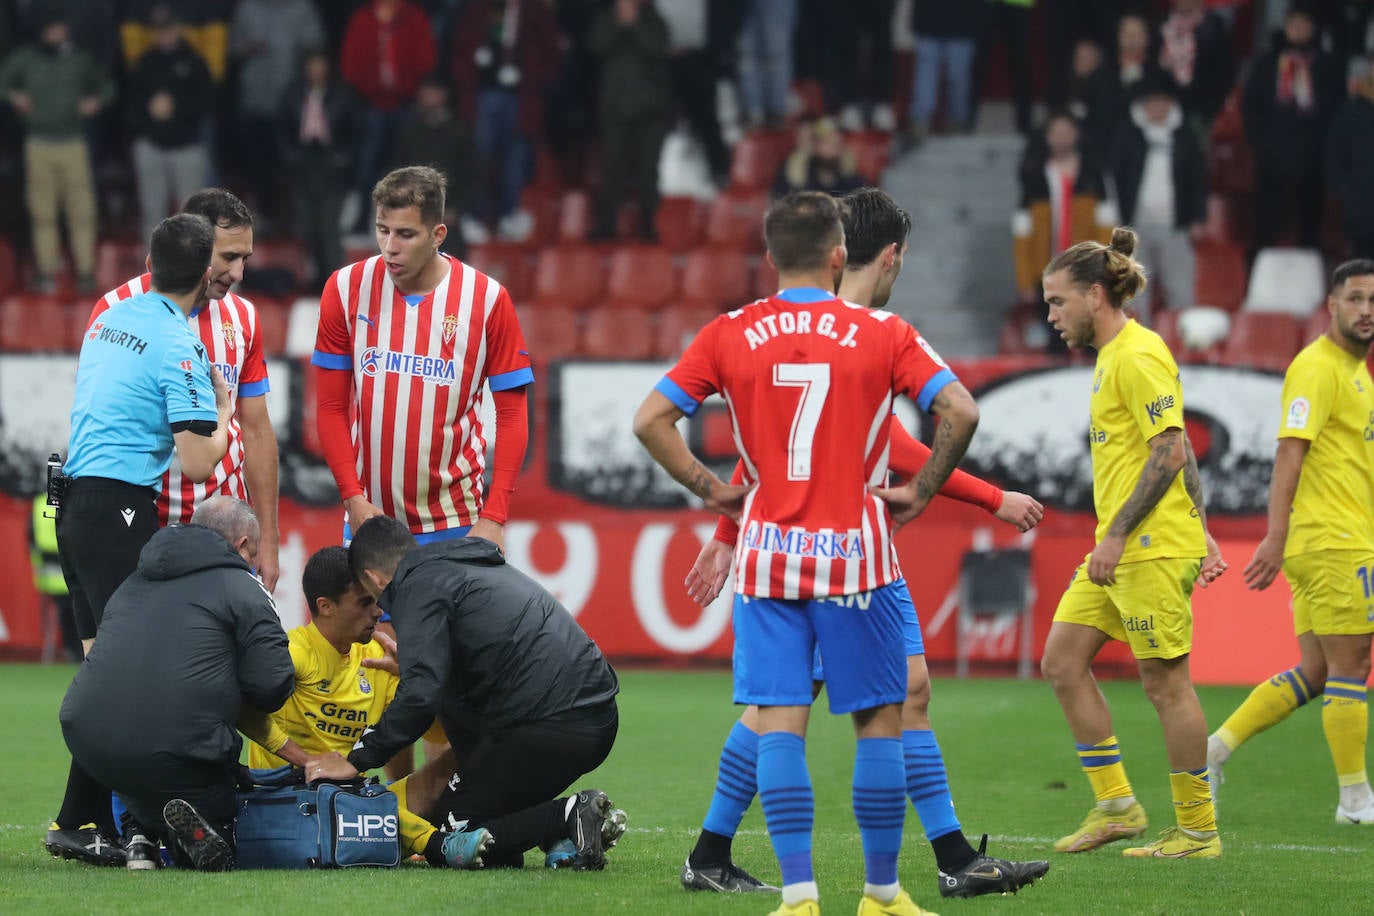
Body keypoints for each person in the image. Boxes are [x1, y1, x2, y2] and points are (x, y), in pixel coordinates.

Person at [677, 188, 1051, 901]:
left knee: (892, 693)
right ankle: (723, 852)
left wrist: (729, 528)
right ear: (885, 255)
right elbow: (900, 446)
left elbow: (765, 452)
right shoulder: (865, 332)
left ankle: (944, 855)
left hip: (847, 549)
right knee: (796, 708)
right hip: (840, 555)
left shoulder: (799, 328)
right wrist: (992, 496)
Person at [45, 212, 232, 866]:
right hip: (120, 507)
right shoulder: (178, 342)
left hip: (73, 506)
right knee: (131, 672)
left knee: (106, 671)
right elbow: (198, 463)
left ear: (151, 264)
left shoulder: (110, 316)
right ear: (207, 272)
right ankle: (89, 818)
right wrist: (226, 415)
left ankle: (88, 819)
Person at [1039, 227, 1228, 859]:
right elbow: (1181, 445)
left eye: (1058, 301)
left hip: (1143, 546)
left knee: (1166, 685)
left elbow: (1171, 450)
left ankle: (1198, 830)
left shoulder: (1138, 355)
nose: (1050, 315)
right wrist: (1205, 530)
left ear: (1095, 295)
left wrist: (1119, 535)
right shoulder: (1111, 357)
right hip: (1125, 543)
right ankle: (1116, 805)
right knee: (1062, 662)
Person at [307, 516, 625, 871]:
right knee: (490, 838)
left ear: (376, 579)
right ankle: (558, 835)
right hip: (595, 714)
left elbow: (419, 698)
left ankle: (566, 817)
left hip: (547, 726)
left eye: (372, 598)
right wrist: (418, 668)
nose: (378, 611)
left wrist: (356, 759)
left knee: (453, 838)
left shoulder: (415, 589)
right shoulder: (462, 564)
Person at [1207, 260, 1374, 824]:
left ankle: (1217, 747)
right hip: (1334, 542)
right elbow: (1289, 451)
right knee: (1354, 665)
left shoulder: (1356, 372)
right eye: (1355, 298)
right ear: (1330, 305)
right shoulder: (1318, 368)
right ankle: (1355, 799)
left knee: (1318, 671)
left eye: (1373, 300)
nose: (1366, 310)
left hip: (1334, 539)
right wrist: (1274, 537)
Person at [60, 497, 294, 872]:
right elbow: (273, 686)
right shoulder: (244, 587)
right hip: (179, 743)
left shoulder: (133, 581)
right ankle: (191, 830)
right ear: (243, 545)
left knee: (149, 768)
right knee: (220, 799)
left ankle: (139, 833)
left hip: (86, 739)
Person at [311, 166, 532, 553]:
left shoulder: (487, 300)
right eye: (383, 230)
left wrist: (495, 517)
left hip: (455, 524)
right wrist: (352, 498)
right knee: (371, 618)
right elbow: (330, 406)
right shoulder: (345, 288)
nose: (389, 246)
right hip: (369, 521)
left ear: (437, 235)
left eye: (406, 234)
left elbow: (512, 415)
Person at [247, 545, 494, 868]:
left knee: (473, 749)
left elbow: (437, 732)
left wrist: (415, 679)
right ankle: (439, 843)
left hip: (360, 802)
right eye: (365, 603)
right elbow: (244, 707)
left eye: (376, 601)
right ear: (326, 607)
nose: (379, 612)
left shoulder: (376, 656)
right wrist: (303, 759)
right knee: (349, 798)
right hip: (289, 804)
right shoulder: (294, 653)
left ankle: (508, 827)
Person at [89, 188, 281, 592]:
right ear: (194, 245)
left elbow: (259, 431)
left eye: (244, 258)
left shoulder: (243, 317)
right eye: (228, 257)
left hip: (223, 532)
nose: (239, 273)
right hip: (143, 525)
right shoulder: (117, 308)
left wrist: (269, 536)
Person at [0, 9, 114, 293]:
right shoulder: (26, 59)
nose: (57, 34)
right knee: (43, 212)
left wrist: (95, 102)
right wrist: (14, 96)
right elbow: (3, 82)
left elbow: (108, 87)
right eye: (52, 29)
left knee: (82, 211)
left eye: (60, 28)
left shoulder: (78, 60)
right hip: (38, 143)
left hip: (73, 142)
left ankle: (86, 273)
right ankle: (47, 273)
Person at [1106, 71, 1208, 322]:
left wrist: (1197, 217)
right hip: (1135, 226)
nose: (1157, 107)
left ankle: (1182, 348)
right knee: (1135, 294)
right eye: (1152, 102)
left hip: (1176, 225)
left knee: (1181, 291)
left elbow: (1198, 179)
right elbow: (1114, 179)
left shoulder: (1185, 137)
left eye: (1163, 101)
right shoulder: (1128, 136)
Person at [1241, 3, 1341, 256]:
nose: (1297, 30)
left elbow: (1335, 111)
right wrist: (1261, 146)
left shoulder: (1327, 66)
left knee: (1310, 229)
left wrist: (1324, 149)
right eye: (1293, 24)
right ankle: (1257, 283)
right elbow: (1251, 108)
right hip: (1272, 160)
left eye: (1303, 24)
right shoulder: (1266, 63)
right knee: (1266, 227)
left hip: (1312, 161)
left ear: (1313, 28)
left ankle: (1309, 287)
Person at [587, 0, 673, 241]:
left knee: (648, 171)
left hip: (650, 111)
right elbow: (596, 45)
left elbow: (657, 48)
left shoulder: (654, 20)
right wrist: (618, 23)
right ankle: (607, 223)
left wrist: (633, 25)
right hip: (615, 110)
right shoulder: (607, 17)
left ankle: (648, 223)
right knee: (611, 169)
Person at [128, 5, 213, 240]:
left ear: (178, 28)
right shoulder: (145, 62)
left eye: (168, 28)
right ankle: (154, 274)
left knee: (194, 218)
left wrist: (175, 107)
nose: (164, 34)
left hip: (186, 146)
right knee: (152, 215)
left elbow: (207, 103)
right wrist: (149, 110)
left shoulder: (195, 61)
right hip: (152, 146)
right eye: (159, 29)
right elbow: (131, 106)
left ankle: (195, 274)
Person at [29, 494, 81, 662]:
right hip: (69, 575)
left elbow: (30, 539)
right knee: (75, 612)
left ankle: (72, 651)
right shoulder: (75, 499)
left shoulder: (38, 504)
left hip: (50, 576)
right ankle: (75, 651)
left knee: (69, 613)